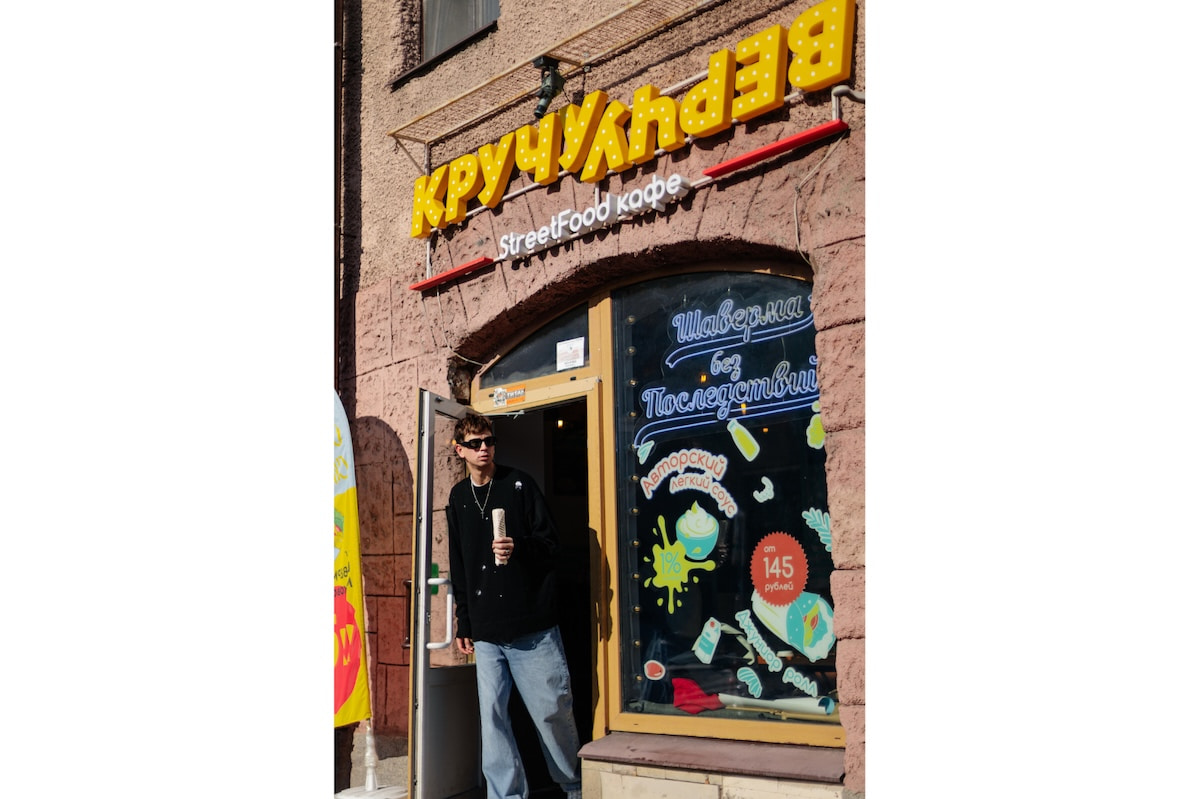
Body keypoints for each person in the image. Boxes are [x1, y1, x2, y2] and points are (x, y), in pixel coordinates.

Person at [446, 412, 583, 799]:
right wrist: (464, 621)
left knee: (551, 712)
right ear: (459, 450)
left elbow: (552, 544)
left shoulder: (519, 485)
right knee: (492, 722)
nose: (484, 448)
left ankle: (574, 787)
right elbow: (460, 563)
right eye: (475, 443)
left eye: (489, 441)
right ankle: (505, 795)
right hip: (487, 631)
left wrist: (518, 547)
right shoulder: (458, 498)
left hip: (532, 628)